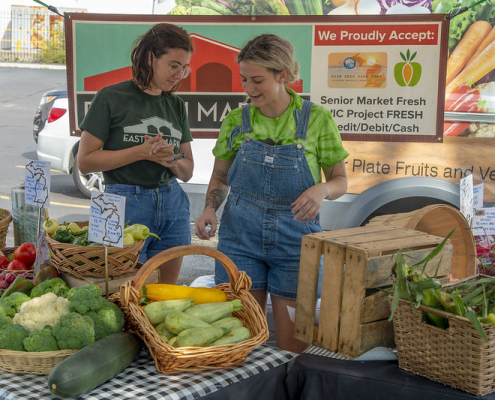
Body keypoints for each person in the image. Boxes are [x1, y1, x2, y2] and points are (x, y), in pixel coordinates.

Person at [194, 34, 349, 353]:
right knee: (236, 337)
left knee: (293, 345)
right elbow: (220, 176)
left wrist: (322, 189)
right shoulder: (237, 121)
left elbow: (340, 180)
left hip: (295, 239)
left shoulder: (316, 120)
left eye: (257, 80)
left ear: (282, 75)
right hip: (239, 237)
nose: (249, 89)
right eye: (244, 79)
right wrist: (209, 208)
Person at [78, 23, 194, 283]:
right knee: (120, 296)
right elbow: (85, 162)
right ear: (150, 57)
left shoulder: (176, 105)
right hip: (121, 200)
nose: (179, 74)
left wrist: (169, 158)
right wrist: (140, 152)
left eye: (184, 68)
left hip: (173, 201)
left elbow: (188, 171)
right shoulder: (109, 97)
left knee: (163, 298)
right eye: (173, 65)